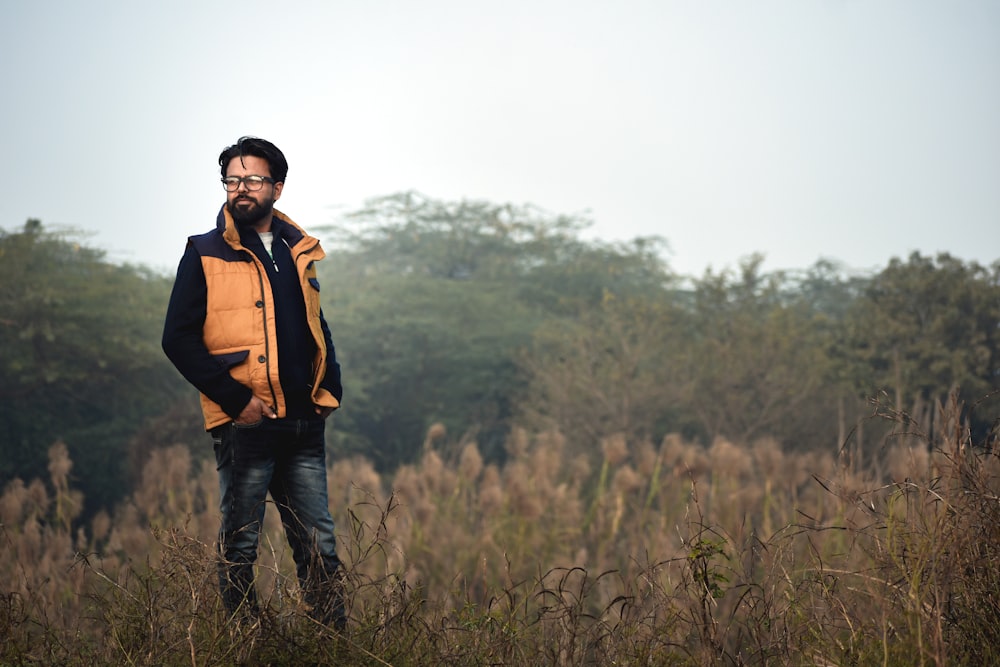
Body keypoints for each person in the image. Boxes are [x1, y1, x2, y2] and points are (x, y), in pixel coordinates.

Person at [162, 136, 345, 628]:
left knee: (319, 547)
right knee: (240, 546)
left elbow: (315, 326)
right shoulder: (203, 252)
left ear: (277, 189)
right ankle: (247, 647)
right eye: (232, 180)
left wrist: (330, 387)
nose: (240, 189)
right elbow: (177, 339)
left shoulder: (298, 251)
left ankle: (333, 649)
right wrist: (236, 399)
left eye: (253, 180)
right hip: (246, 424)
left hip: (303, 424)